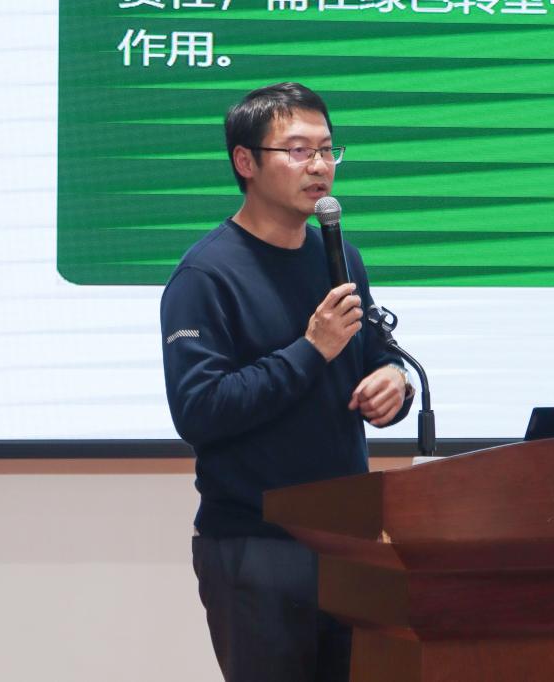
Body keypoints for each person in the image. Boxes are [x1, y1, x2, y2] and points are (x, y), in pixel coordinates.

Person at [160, 82, 414, 682]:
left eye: (327, 150)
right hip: (256, 544)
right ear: (245, 161)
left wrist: (392, 380)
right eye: (298, 151)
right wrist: (310, 350)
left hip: (349, 539)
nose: (319, 166)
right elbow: (200, 410)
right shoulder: (205, 275)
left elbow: (374, 350)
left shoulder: (340, 256)